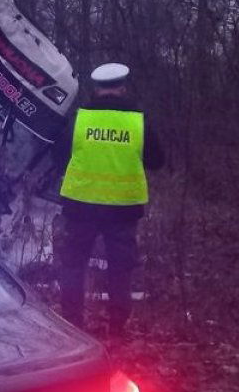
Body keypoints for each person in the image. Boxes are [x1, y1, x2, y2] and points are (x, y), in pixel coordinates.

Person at [54, 62, 165, 338]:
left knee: (73, 263)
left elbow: (58, 157)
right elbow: (157, 161)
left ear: (96, 89)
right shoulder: (138, 122)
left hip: (80, 206)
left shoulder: (80, 120)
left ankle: (72, 324)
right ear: (122, 88)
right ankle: (116, 328)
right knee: (120, 268)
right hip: (122, 209)